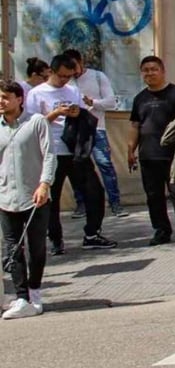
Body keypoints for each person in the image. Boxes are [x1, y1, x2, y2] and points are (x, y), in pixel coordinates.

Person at [25, 55, 112, 252]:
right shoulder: (37, 93)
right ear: (52, 72)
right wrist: (55, 114)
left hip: (75, 150)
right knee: (51, 198)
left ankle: (92, 233)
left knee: (94, 191)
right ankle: (55, 239)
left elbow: (82, 114)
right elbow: (30, 126)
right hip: (51, 151)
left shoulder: (73, 90)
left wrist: (75, 112)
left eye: (69, 76)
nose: (65, 80)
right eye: (62, 76)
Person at [0, 80, 56, 319]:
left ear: (19, 99)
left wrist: (45, 184)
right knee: (12, 248)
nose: (1, 102)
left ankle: (34, 292)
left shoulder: (37, 122)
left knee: (36, 248)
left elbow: (50, 155)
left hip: (35, 197)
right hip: (5, 197)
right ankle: (21, 297)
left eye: (5, 97)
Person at [126, 56, 175, 245]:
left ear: (162, 71)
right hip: (148, 156)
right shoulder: (140, 98)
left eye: (154, 69)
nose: (150, 73)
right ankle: (161, 231)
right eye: (146, 70)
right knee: (153, 196)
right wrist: (130, 150)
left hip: (173, 155)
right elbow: (135, 126)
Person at [66, 49, 126, 218]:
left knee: (105, 164)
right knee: (76, 167)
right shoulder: (66, 82)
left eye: (74, 66)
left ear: (81, 61)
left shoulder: (98, 76)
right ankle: (81, 204)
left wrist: (92, 102)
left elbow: (111, 102)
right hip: (75, 130)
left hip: (96, 128)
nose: (72, 71)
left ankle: (115, 203)